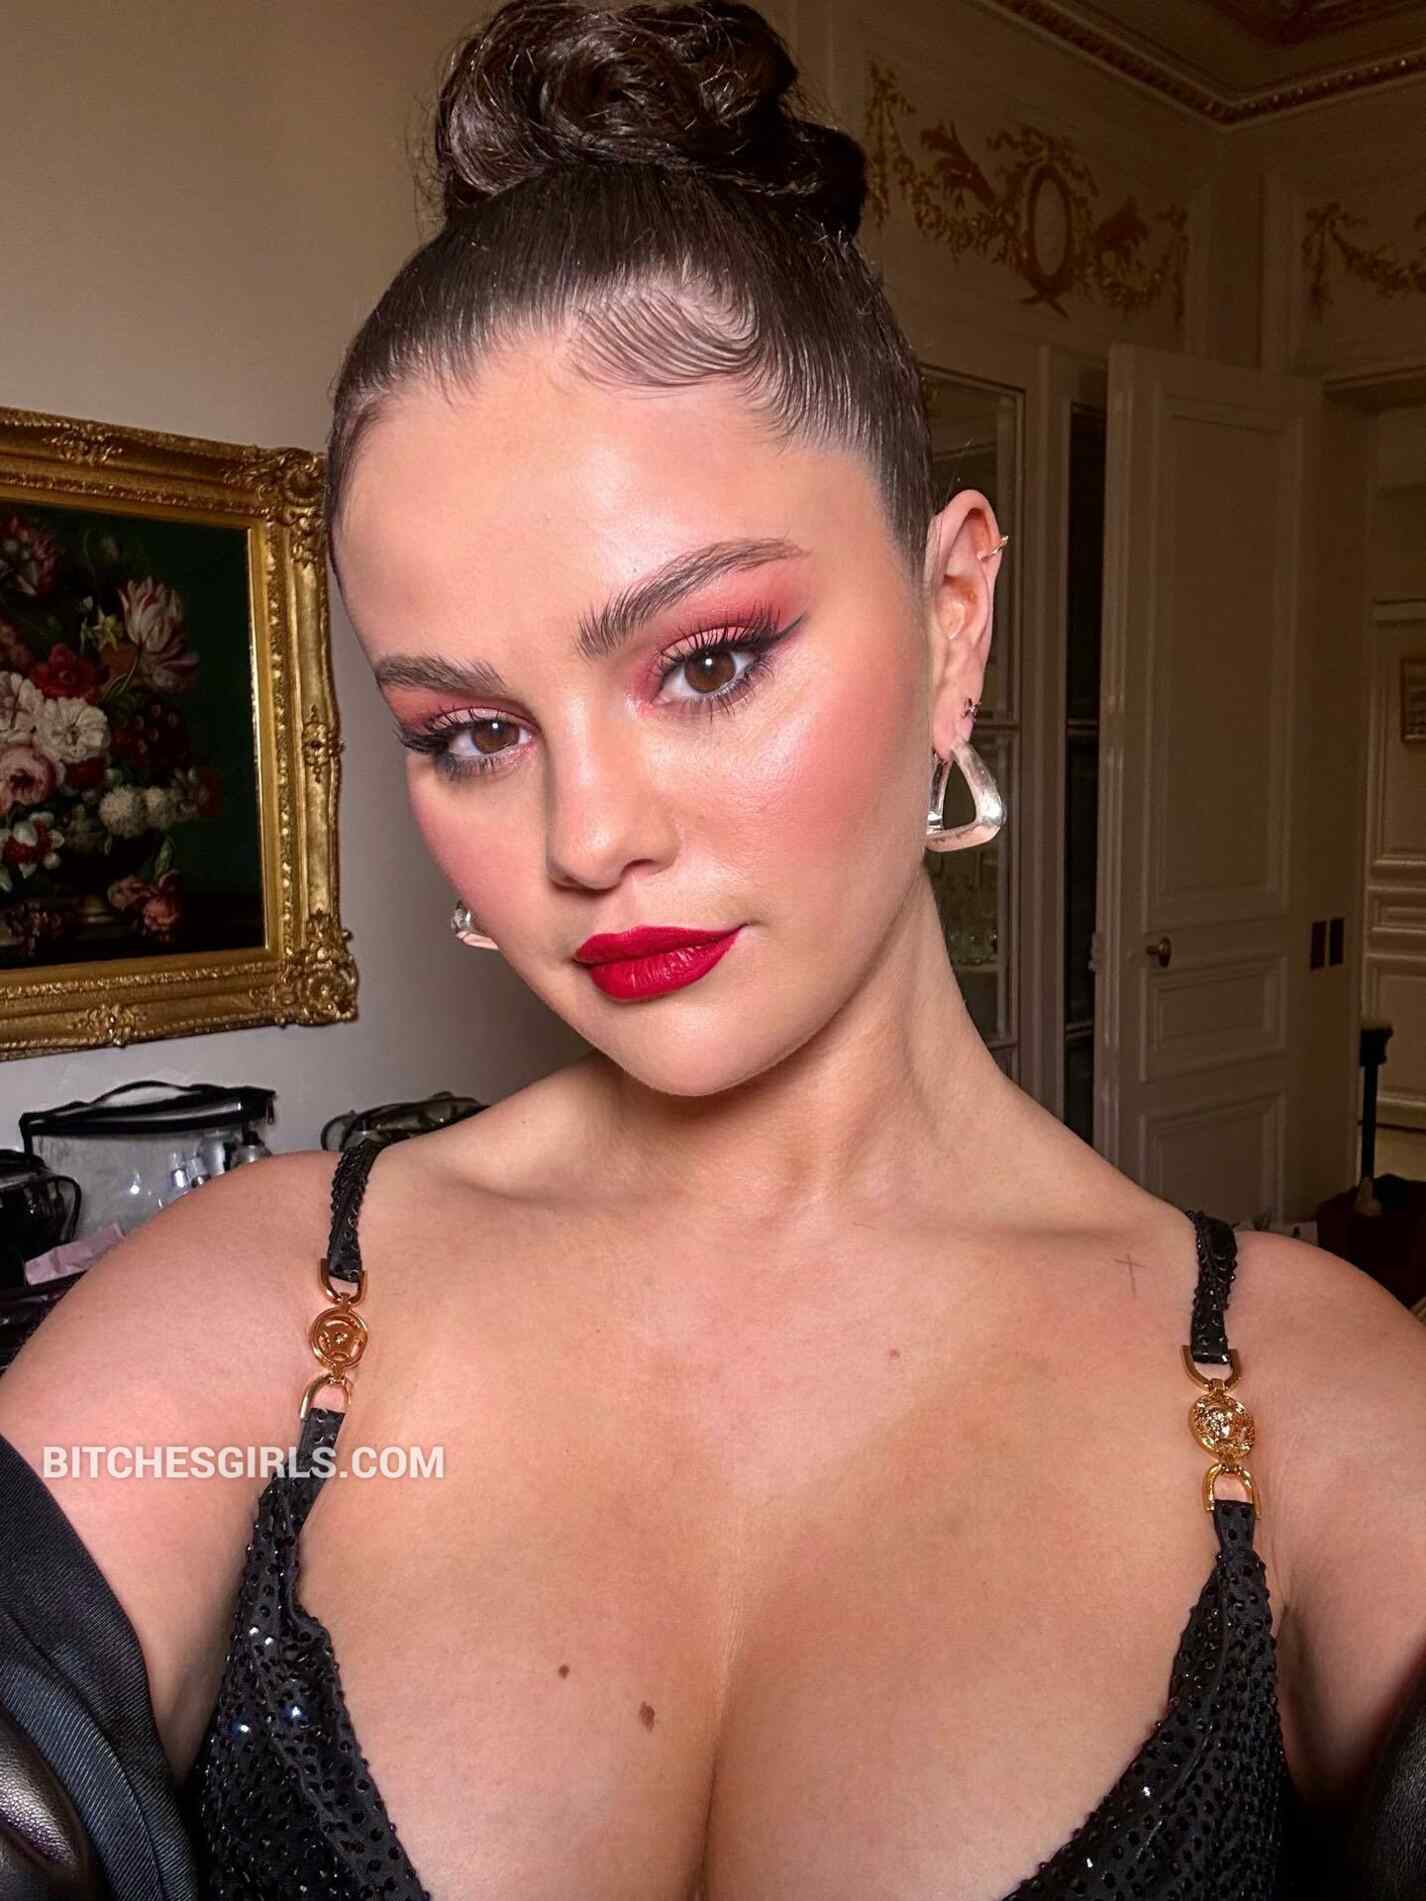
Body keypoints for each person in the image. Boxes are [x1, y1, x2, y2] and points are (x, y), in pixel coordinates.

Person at [3, 2, 1426, 1896]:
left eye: (707, 659)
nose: (586, 839)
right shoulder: (244, 1319)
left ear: (953, 617)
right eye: (470, 730)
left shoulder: (1299, 1397)